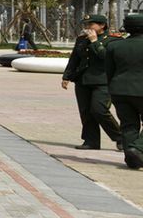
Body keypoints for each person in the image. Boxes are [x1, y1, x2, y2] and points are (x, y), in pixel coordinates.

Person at [61, 14, 123, 151]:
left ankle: (120, 137)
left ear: (102, 25)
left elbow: (105, 58)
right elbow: (74, 58)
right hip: (83, 80)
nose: (87, 28)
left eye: (91, 24)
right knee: (86, 112)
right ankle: (91, 141)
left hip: (103, 81)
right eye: (86, 25)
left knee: (99, 109)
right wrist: (66, 76)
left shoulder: (113, 41)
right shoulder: (82, 39)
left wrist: (95, 41)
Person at [107, 13, 143, 170]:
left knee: (128, 125)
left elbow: (109, 71)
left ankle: (132, 158)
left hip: (119, 90)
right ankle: (137, 149)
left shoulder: (114, 45)